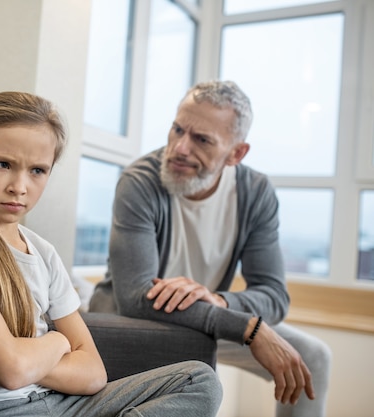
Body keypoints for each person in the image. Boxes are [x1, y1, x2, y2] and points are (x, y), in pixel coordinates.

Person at [0, 91, 223, 417]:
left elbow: (93, 373)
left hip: (57, 401)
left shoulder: (42, 252)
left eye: (37, 170)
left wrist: (24, 358)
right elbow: (10, 371)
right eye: (3, 164)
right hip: (1, 408)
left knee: (200, 380)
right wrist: (58, 343)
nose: (19, 186)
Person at [89, 80, 332, 417]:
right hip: (130, 319)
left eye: (201, 139)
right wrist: (248, 328)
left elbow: (275, 296)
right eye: (177, 130)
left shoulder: (255, 193)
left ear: (236, 153)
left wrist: (218, 301)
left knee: (314, 358)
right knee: (198, 361)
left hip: (207, 317)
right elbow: (134, 298)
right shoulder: (140, 181)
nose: (180, 148)